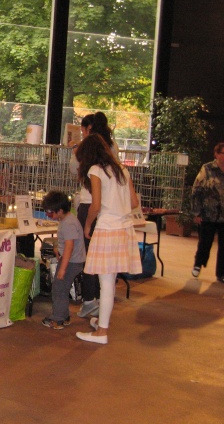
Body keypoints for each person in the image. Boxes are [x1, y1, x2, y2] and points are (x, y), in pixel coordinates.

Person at [74, 133, 141, 344]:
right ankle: (101, 323)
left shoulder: (96, 170)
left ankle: (101, 332)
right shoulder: (122, 169)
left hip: (107, 229)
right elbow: (133, 202)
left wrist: (87, 224)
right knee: (109, 282)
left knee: (105, 282)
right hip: (124, 229)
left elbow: (95, 204)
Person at [69, 112, 120, 318]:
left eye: (83, 129)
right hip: (108, 208)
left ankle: (89, 300)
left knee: (87, 255)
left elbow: (74, 169)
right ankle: (101, 298)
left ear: (88, 128)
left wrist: (74, 150)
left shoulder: (86, 148)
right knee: (105, 257)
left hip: (90, 205)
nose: (82, 132)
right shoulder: (113, 147)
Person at [40, 190, 86, 330]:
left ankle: (58, 319)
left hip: (71, 262)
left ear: (60, 210)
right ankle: (64, 316)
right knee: (62, 288)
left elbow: (70, 246)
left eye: (50, 212)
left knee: (59, 289)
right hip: (70, 260)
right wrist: (57, 248)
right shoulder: (67, 219)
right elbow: (66, 242)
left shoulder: (68, 223)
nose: (49, 215)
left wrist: (63, 268)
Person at [190, 142, 224, 282]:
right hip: (208, 214)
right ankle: (198, 264)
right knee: (205, 243)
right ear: (216, 154)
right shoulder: (207, 169)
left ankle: (221, 273)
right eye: (223, 153)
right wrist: (196, 213)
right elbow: (196, 190)